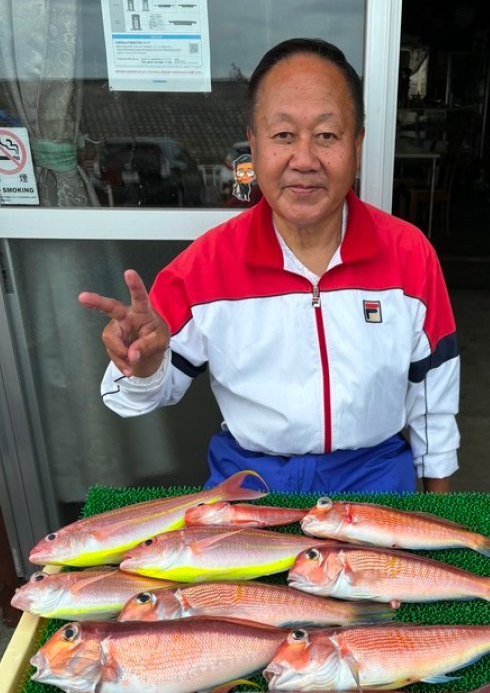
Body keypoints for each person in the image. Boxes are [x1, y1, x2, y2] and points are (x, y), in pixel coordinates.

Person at [82, 38, 458, 494]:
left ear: (357, 144)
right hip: (250, 482)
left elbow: (432, 403)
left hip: (374, 479)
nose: (304, 160)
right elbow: (135, 396)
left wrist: (442, 512)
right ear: (254, 144)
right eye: (283, 135)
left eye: (327, 135)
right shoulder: (205, 266)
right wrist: (142, 366)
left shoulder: (409, 255)